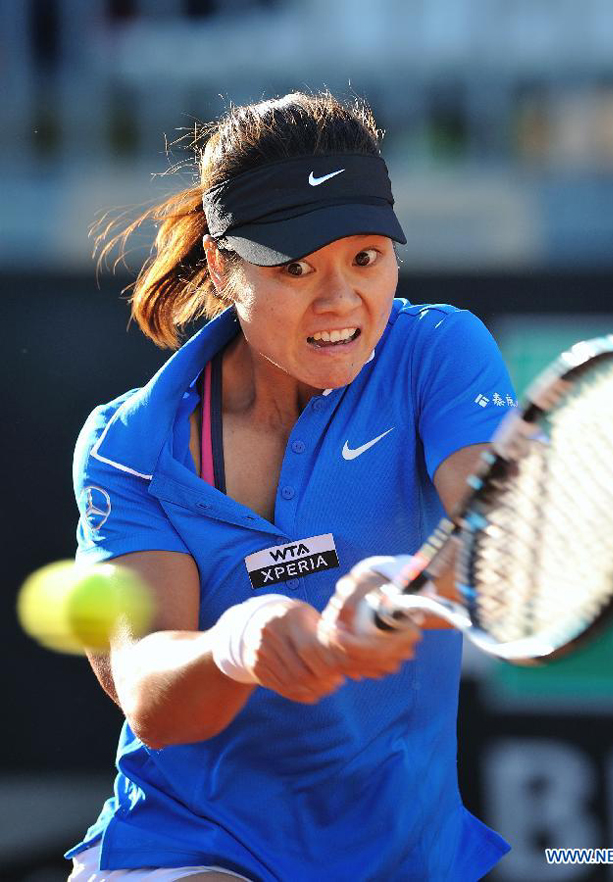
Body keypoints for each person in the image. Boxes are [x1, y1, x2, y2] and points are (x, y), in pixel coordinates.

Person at [67, 90, 515, 881]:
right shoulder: (129, 445)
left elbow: (492, 526)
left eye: (366, 258)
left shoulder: (440, 350)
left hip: (402, 854)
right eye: (296, 266)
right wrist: (237, 647)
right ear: (220, 264)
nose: (341, 300)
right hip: (192, 845)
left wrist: (406, 588)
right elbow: (150, 695)